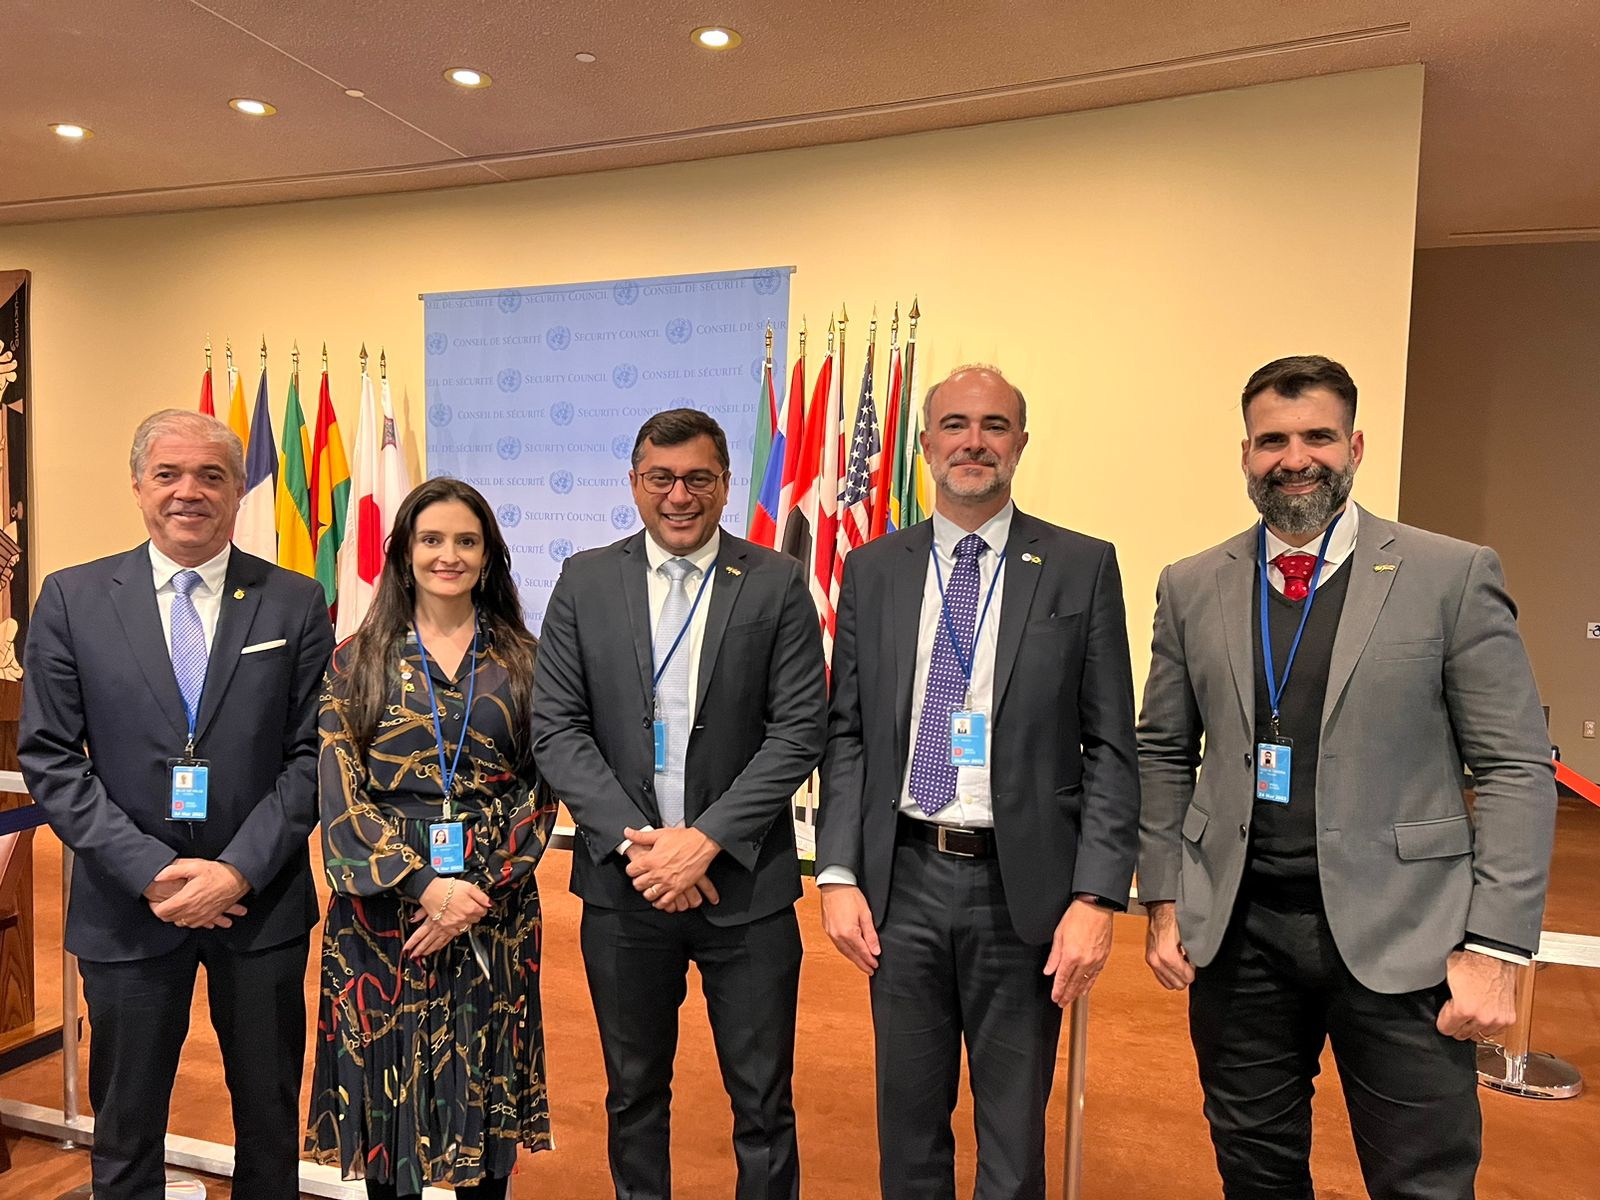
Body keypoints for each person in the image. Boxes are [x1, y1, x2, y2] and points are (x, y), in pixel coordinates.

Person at [1136, 355, 1558, 1199]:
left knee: (1421, 1180)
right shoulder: (1190, 586)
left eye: (1318, 437)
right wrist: (1165, 895)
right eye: (1272, 441)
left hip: (1407, 938)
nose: (1295, 458)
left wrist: (1495, 947)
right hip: (1240, 936)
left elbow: (1515, 765)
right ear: (1246, 454)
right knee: (1254, 1169)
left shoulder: (1450, 576)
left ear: (1355, 446)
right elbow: (1162, 750)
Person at [816, 365, 1140, 1200]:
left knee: (1013, 1141)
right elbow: (847, 733)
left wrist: (1097, 897)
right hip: (903, 885)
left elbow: (1111, 747)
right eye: (955, 425)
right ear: (926, 444)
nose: (974, 442)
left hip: (1023, 894)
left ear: (1021, 443)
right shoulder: (873, 568)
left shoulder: (1080, 565)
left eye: (994, 425)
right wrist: (838, 872)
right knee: (908, 1132)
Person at [19, 409, 332, 1200]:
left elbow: (313, 756)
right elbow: (50, 757)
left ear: (238, 490)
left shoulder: (295, 601)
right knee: (125, 1128)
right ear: (137, 486)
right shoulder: (73, 598)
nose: (188, 492)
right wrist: (152, 871)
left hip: (258, 906)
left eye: (210, 475)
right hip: (127, 907)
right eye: (168, 474)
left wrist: (235, 872)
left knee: (268, 1121)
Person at [531, 408, 826, 1200]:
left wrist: (705, 841)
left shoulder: (775, 581)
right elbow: (557, 728)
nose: (679, 495)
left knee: (763, 1103)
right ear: (634, 483)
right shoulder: (585, 580)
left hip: (746, 889)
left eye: (698, 478)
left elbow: (799, 730)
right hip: (625, 888)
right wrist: (644, 848)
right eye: (660, 478)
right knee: (633, 1096)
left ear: (725, 484)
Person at [305, 477, 556, 1200]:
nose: (450, 555)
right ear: (404, 552)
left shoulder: (527, 659)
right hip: (384, 912)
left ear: (489, 555)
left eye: (466, 541)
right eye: (432, 539)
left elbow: (543, 787)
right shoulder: (355, 659)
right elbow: (339, 789)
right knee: (391, 1107)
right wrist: (425, 886)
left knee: (483, 1091)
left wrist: (474, 892)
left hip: (493, 909)